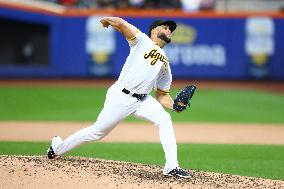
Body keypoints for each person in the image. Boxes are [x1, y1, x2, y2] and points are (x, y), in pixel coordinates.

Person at [47, 17, 190, 178]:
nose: (169, 30)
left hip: (143, 100)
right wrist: (107, 20)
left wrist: (176, 105)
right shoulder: (142, 41)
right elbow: (122, 24)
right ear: (154, 30)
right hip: (121, 96)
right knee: (97, 132)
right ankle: (57, 148)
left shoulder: (165, 64)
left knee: (164, 119)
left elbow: (162, 96)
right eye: (165, 27)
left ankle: (171, 167)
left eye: (171, 29)